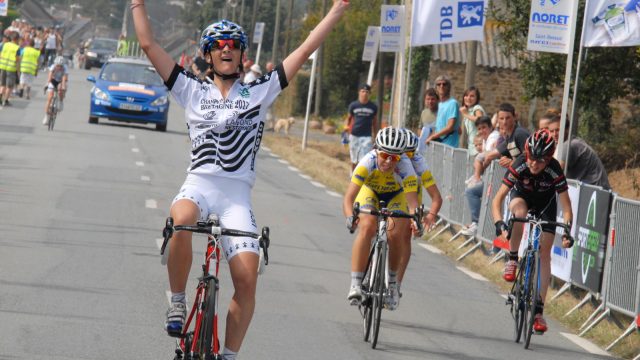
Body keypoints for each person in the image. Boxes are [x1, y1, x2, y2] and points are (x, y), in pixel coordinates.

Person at [131, 1, 349, 358]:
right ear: (208, 54)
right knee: (181, 219)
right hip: (198, 185)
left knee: (247, 280)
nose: (227, 47)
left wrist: (337, 10)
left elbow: (306, 47)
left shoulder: (259, 91)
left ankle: (229, 354)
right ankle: (177, 300)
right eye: (219, 44)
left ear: (243, 54)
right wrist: (137, 3)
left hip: (236, 199)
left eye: (234, 43)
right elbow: (148, 45)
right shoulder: (190, 89)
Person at [492, 129, 574, 334]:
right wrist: (499, 223)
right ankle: (512, 260)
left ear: (548, 160)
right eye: (531, 158)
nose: (533, 164)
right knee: (519, 212)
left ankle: (538, 311)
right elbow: (497, 199)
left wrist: (566, 232)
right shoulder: (520, 163)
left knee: (545, 252)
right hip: (522, 197)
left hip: (546, 204)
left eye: (539, 161)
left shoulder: (555, 170)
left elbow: (566, 206)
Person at [343, 127, 422, 311]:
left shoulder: (406, 167)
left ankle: (392, 283)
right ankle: (355, 283)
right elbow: (348, 198)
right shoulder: (367, 162)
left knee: (395, 233)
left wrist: (415, 220)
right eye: (384, 155)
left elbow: (412, 203)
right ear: (376, 151)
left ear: (400, 157)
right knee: (367, 226)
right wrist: (349, 217)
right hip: (370, 192)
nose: (388, 161)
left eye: (394, 157)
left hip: (395, 195)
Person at [396, 129, 442, 292]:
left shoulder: (419, 163)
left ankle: (397, 283)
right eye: (402, 154)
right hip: (390, 192)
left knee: (405, 236)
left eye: (410, 154)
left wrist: (430, 215)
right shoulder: (390, 158)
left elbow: (436, 197)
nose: (405, 159)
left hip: (411, 197)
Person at [543, 114, 611, 190]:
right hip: (591, 190)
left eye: (558, 130)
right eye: (551, 131)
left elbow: (555, 172)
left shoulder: (570, 145)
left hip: (595, 192)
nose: (555, 134)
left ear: (567, 129)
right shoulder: (569, 142)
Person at [461, 115, 501, 235]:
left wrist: (481, 167)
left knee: (471, 192)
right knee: (470, 191)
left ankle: (477, 223)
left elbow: (488, 157)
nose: (481, 131)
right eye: (479, 129)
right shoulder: (485, 139)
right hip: (489, 177)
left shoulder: (494, 137)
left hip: (495, 180)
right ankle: (476, 223)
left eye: (484, 127)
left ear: (490, 127)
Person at [481, 103, 530, 171]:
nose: (504, 122)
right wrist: (479, 173)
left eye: (508, 118)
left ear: (514, 117)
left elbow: (530, 157)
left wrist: (512, 162)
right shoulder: (509, 137)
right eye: (501, 118)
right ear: (498, 120)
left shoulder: (519, 133)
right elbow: (490, 155)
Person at [344, 83, 378, 170]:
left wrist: (375, 136)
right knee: (354, 158)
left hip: (367, 136)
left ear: (369, 94)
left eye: (367, 92)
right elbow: (348, 119)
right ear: (359, 92)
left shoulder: (373, 107)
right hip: (354, 135)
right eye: (363, 91)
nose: (364, 93)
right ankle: (352, 175)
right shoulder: (353, 105)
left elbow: (375, 122)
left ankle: (359, 177)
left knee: (364, 159)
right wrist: (345, 130)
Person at [426, 75, 459, 148]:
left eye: (444, 84)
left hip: (449, 145)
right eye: (439, 84)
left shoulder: (453, 103)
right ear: (436, 88)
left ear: (449, 87)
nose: (441, 86)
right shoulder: (439, 105)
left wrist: (432, 137)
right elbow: (438, 127)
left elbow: (450, 127)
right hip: (438, 145)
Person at [459, 86, 485, 155]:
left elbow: (480, 120)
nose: (468, 98)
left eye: (472, 96)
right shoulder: (468, 110)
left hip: (480, 149)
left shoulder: (477, 108)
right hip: (472, 148)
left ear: (477, 98)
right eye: (466, 95)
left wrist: (465, 114)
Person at [42, 56, 68, 125]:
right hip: (53, 80)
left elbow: (64, 79)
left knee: (60, 89)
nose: (59, 67)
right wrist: (47, 84)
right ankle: (46, 116)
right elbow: (50, 77)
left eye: (60, 66)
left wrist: (63, 87)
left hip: (60, 81)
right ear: (55, 64)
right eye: (57, 66)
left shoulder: (65, 68)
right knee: (50, 98)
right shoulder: (53, 67)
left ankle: (61, 101)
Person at [0, 31, 21, 107]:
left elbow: (1, 55)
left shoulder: (4, 45)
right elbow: (17, 60)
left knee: (2, 84)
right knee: (9, 86)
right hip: (11, 68)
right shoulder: (17, 48)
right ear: (17, 39)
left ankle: (0, 97)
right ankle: (5, 100)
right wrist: (18, 71)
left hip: (2, 67)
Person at [417, 87, 438, 154]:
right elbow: (419, 128)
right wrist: (423, 136)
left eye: (433, 99)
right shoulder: (424, 113)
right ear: (424, 100)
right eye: (428, 99)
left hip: (437, 147)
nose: (430, 101)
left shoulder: (441, 113)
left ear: (437, 100)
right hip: (424, 147)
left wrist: (431, 136)